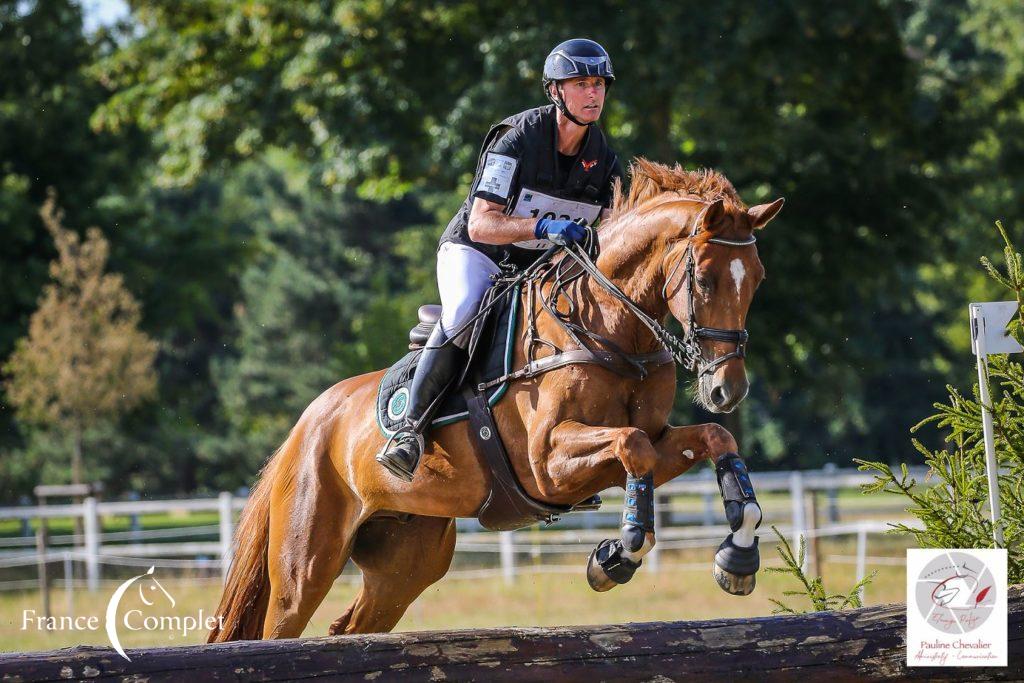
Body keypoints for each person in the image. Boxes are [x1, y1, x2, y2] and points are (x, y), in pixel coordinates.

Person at [377, 38, 624, 482]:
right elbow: (481, 224)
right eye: (581, 83)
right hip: (477, 253)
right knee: (467, 308)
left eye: (599, 84)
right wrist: (542, 228)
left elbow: (610, 231)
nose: (593, 94)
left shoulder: (603, 159)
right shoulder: (517, 138)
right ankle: (409, 431)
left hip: (534, 270)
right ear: (555, 91)